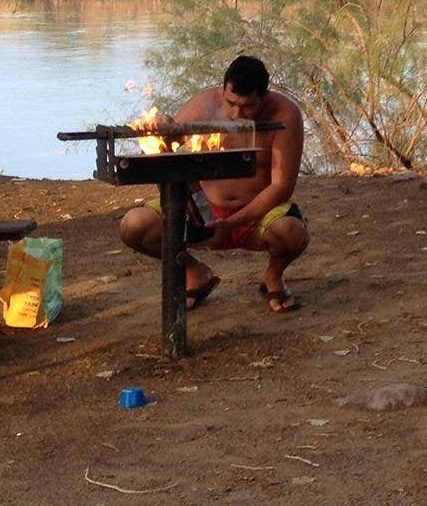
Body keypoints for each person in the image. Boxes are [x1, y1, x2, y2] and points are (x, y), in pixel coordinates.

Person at [118, 55, 309, 313]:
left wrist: (232, 222)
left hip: (256, 217)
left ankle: (273, 277)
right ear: (223, 90)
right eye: (230, 103)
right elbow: (169, 142)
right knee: (133, 226)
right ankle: (194, 272)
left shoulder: (285, 114)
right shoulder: (205, 103)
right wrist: (162, 126)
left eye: (247, 106)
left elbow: (281, 187)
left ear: (263, 97)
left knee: (292, 233)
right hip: (202, 215)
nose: (235, 114)